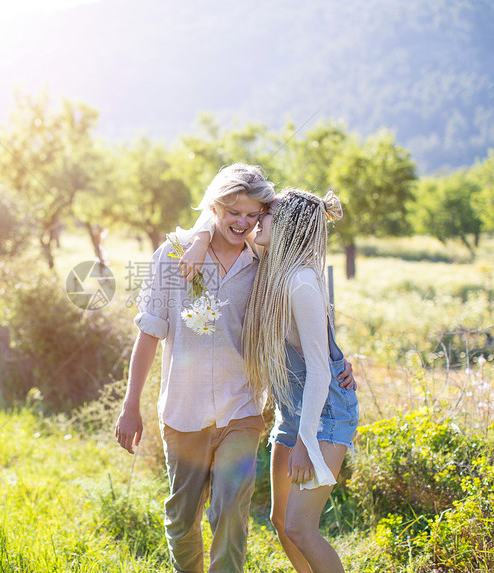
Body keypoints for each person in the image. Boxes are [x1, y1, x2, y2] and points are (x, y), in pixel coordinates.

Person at [114, 164, 353, 573]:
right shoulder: (173, 256)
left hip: (241, 410)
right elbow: (149, 332)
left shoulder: (263, 259)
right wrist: (130, 403)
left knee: (230, 511)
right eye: (232, 212)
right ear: (214, 207)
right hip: (183, 413)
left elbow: (306, 311)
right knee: (181, 517)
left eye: (253, 215)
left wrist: (334, 357)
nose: (243, 223)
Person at [243, 188, 358, 573]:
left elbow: (321, 369)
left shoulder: (302, 282)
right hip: (294, 411)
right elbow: (221, 225)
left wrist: (306, 442)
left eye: (268, 214)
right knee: (281, 523)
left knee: (301, 527)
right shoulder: (273, 267)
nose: (257, 219)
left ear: (288, 225)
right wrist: (194, 247)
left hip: (322, 414)